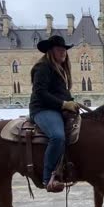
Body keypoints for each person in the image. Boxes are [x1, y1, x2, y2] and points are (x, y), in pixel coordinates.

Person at [29, 35, 80, 192]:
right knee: (58, 136)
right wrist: (64, 104)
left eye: (64, 50)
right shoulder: (43, 68)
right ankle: (48, 178)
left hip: (57, 109)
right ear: (51, 51)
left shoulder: (60, 69)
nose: (63, 53)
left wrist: (71, 102)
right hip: (43, 110)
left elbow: (61, 93)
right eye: (60, 50)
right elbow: (40, 92)